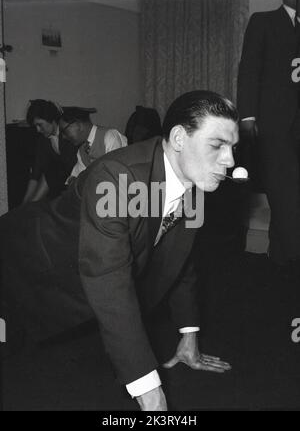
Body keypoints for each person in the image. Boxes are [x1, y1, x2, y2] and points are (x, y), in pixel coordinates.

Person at [1, 90, 238, 411]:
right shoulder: (117, 177)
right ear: (180, 138)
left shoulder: (193, 187)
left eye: (232, 147)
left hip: (70, 271)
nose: (231, 161)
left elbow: (180, 260)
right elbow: (109, 278)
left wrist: (188, 334)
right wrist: (151, 393)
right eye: (217, 145)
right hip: (21, 258)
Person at [237, 0, 300, 279]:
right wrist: (248, 117)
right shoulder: (263, 22)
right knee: (282, 192)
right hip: (275, 127)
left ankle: (279, 256)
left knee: (290, 197)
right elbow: (249, 68)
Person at [23, 99, 78, 203]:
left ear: (52, 120)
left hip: (74, 180)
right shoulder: (43, 140)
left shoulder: (69, 133)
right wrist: (25, 201)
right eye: (36, 126)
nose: (38, 130)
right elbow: (36, 171)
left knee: (52, 168)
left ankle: (32, 204)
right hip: (56, 185)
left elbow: (70, 166)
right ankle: (28, 206)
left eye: (40, 125)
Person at [59, 106, 127, 182]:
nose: (63, 137)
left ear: (79, 125)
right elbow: (75, 176)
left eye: (64, 131)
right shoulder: (82, 151)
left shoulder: (109, 137)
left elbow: (116, 173)